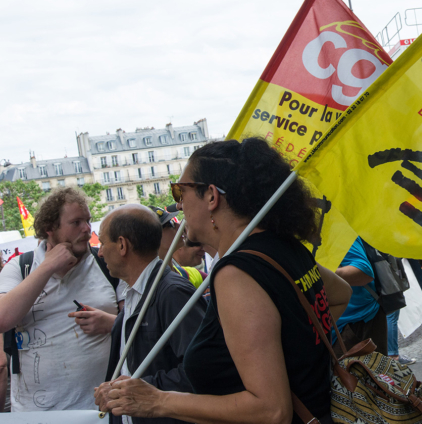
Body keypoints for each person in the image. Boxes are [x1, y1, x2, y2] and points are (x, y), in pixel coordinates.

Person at [98, 138, 352, 424]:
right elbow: (342, 294)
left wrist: (157, 401)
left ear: (211, 196)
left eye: (181, 191)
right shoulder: (284, 247)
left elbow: (271, 411)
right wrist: (294, 344)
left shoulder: (236, 273)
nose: (179, 204)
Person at [0, 188, 123, 412]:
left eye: (87, 221)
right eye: (76, 222)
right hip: (35, 414)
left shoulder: (108, 264)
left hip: (99, 410)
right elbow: (2, 319)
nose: (87, 229)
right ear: (49, 228)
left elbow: (143, 325)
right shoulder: (21, 267)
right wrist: (47, 267)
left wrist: (111, 324)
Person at [94, 204, 207, 424]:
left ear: (122, 245)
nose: (99, 252)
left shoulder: (172, 293)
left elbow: (201, 370)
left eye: (102, 243)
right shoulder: (136, 292)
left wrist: (138, 389)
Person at [335, 237, 388, 355]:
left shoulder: (338, 230)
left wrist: (321, 272)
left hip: (359, 321)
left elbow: (364, 271)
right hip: (338, 324)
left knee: (372, 371)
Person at [148, 205, 207, 288]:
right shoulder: (146, 286)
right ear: (154, 237)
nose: (179, 227)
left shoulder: (191, 274)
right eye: (170, 224)